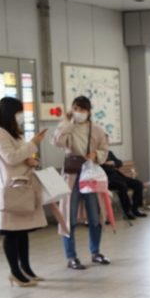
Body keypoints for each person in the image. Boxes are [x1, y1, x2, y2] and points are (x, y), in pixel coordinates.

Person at [0, 97, 47, 287]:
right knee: (11, 232)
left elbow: (22, 157)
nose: (21, 116)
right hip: (12, 189)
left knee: (22, 232)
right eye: (18, 112)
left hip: (24, 187)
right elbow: (11, 158)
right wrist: (34, 143)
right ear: (10, 113)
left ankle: (26, 269)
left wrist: (32, 160)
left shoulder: (15, 133)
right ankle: (15, 272)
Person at [53, 96, 110, 270]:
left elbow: (104, 150)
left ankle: (96, 252)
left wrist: (96, 155)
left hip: (90, 175)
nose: (79, 112)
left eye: (82, 109)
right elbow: (57, 141)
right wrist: (67, 122)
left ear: (89, 111)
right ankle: (71, 257)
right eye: (76, 109)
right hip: (72, 176)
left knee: (95, 216)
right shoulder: (67, 127)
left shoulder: (97, 130)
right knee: (68, 218)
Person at [102, 150, 146, 219]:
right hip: (107, 179)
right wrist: (106, 164)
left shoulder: (109, 152)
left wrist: (113, 163)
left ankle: (135, 209)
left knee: (138, 184)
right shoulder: (96, 155)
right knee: (122, 186)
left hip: (118, 176)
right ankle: (127, 211)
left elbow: (119, 163)